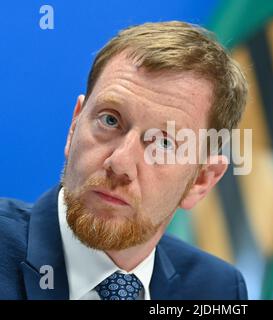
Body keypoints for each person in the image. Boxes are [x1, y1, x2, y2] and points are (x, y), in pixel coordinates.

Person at [0, 21, 248, 300]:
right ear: (74, 126)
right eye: (110, 120)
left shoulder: (218, 289)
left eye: (164, 143)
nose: (120, 164)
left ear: (201, 180)